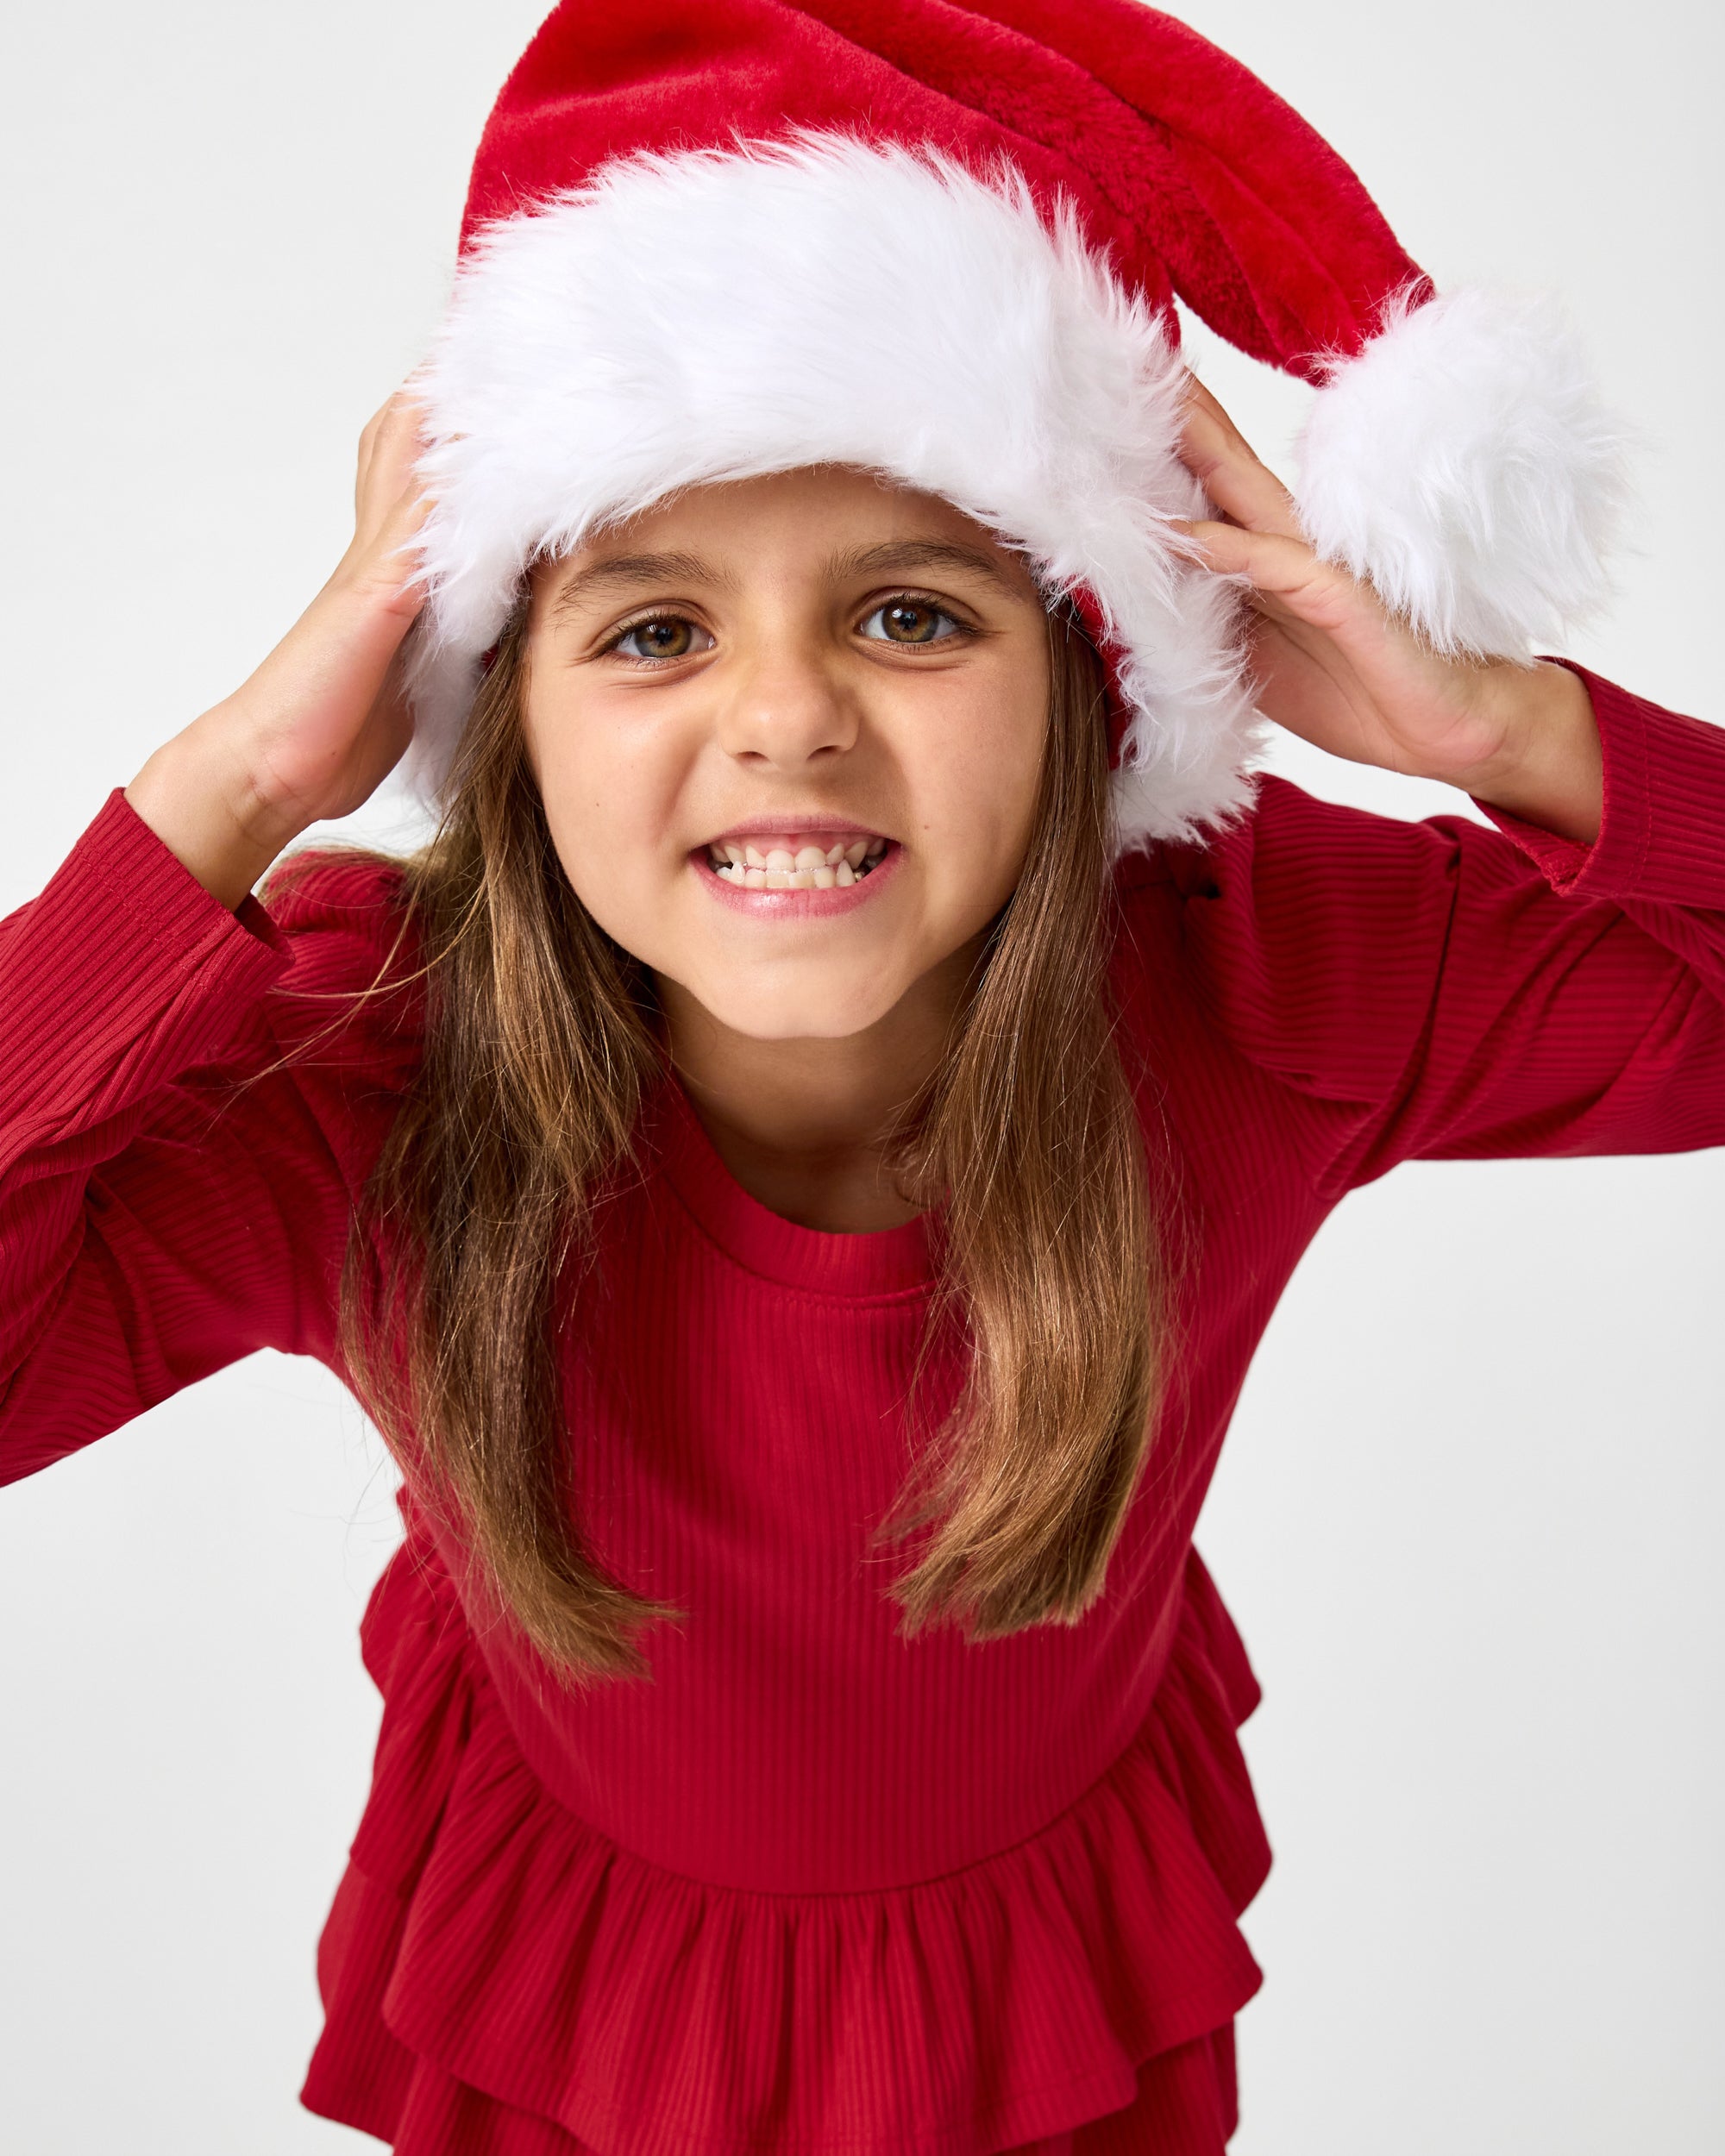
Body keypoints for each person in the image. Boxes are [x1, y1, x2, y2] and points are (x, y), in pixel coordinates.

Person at [3, 3, 1720, 2151]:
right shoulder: (372, 1064)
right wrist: (232, 784)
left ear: (1099, 680)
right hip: (572, 1997)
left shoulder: (1250, 969)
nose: (788, 718)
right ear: (491, 710)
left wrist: (1501, 731)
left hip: (1048, 1984)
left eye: (913, 614)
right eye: (650, 630)